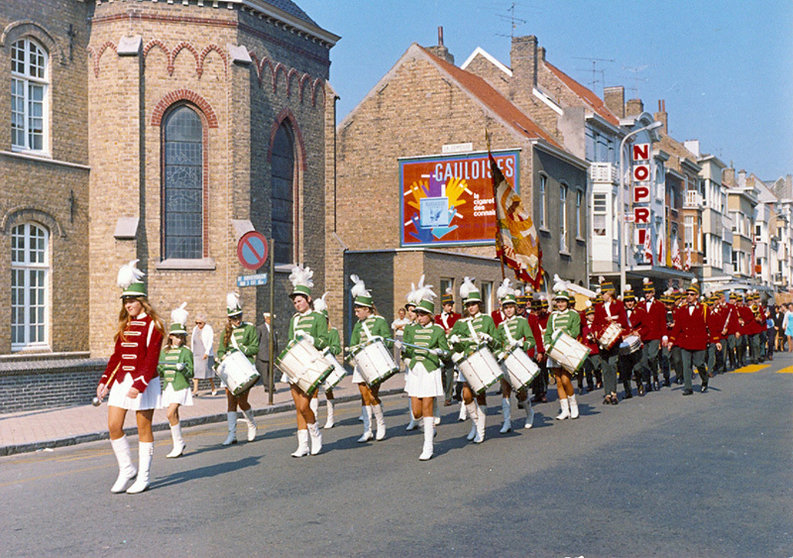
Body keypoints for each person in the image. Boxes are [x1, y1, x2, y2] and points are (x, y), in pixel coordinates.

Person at [96, 260, 164, 494]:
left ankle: (143, 477)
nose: (128, 305)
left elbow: (151, 359)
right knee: (114, 426)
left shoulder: (154, 325)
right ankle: (127, 469)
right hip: (122, 380)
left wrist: (140, 384)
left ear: (142, 301)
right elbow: (116, 357)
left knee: (143, 427)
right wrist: (105, 381)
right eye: (125, 301)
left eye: (132, 301)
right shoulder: (125, 325)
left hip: (143, 382)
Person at [282, 265, 327, 456]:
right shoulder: (294, 320)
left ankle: (315, 434)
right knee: (297, 407)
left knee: (304, 405)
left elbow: (325, 340)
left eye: (300, 301)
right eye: (295, 302)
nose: (297, 305)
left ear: (308, 299)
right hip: (295, 366)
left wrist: (311, 340)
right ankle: (303, 445)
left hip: (311, 366)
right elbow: (290, 340)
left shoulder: (318, 318)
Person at [402, 281, 449, 460]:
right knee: (416, 412)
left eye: (422, 314)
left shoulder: (438, 331)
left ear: (429, 315)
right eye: (418, 314)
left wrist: (440, 352)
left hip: (430, 370)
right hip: (415, 370)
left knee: (428, 406)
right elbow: (407, 351)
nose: (419, 317)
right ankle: (429, 429)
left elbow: (446, 352)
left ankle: (428, 445)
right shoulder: (411, 330)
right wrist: (405, 357)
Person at [448, 277, 498, 443]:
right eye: (468, 305)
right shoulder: (461, 323)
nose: (471, 307)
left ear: (479, 304)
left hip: (481, 362)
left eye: (474, 304)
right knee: (466, 396)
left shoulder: (487, 320)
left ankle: (481, 430)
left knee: (480, 395)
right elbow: (451, 344)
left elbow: (497, 342)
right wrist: (453, 340)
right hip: (466, 363)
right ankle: (475, 425)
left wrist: (489, 338)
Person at [347, 274, 393, 442]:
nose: (356, 313)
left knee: (373, 394)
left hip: (376, 363)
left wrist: (379, 342)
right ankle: (367, 430)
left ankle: (381, 425)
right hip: (361, 363)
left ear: (367, 309)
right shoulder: (358, 325)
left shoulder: (380, 321)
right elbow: (353, 343)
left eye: (359, 310)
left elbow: (387, 341)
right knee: (363, 396)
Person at [216, 292, 259, 445]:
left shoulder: (249, 328)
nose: (238, 320)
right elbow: (221, 350)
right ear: (229, 318)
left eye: (239, 316)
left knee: (242, 401)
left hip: (245, 368)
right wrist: (222, 357)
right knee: (230, 401)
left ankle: (251, 424)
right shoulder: (226, 332)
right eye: (234, 318)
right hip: (231, 370)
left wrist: (241, 349)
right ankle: (231, 434)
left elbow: (254, 347)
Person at [494, 279, 536, 432]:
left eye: (511, 307)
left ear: (515, 308)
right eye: (506, 308)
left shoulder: (522, 322)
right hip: (505, 361)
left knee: (521, 392)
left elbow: (531, 341)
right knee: (505, 391)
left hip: (519, 360)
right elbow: (498, 344)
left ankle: (529, 413)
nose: (509, 310)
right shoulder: (500, 326)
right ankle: (507, 422)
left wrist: (521, 344)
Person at [157, 303, 193, 458]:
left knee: (170, 413)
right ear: (170, 336)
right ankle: (178, 444)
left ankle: (178, 443)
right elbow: (159, 370)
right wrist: (160, 368)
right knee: (174, 414)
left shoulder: (186, 352)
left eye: (181, 336)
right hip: (168, 386)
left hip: (180, 386)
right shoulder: (164, 352)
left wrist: (182, 368)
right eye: (177, 336)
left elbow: (191, 372)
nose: (179, 339)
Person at [543, 290, 582, 419]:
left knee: (566, 379)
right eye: (558, 301)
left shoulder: (573, 315)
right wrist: (547, 344)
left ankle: (574, 405)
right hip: (554, 350)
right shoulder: (552, 316)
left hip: (567, 350)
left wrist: (560, 333)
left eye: (563, 301)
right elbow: (548, 332)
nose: (560, 304)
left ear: (567, 302)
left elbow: (575, 331)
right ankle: (565, 410)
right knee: (559, 381)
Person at [308, 292, 342, 430]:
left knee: (328, 390)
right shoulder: (313, 333)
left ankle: (330, 417)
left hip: (328, 363)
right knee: (314, 391)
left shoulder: (332, 332)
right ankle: (314, 417)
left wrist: (329, 349)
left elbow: (337, 349)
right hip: (316, 362)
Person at [669, 279, 710, 395]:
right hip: (685, 342)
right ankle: (688, 387)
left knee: (699, 363)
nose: (689, 296)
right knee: (686, 365)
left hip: (699, 341)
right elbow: (677, 327)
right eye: (687, 294)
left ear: (697, 296)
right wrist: (672, 340)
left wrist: (715, 340)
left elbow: (710, 325)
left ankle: (704, 379)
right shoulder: (682, 309)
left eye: (692, 294)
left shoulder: (703, 309)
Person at [593, 277, 629, 405]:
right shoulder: (598, 307)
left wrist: (614, 319)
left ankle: (614, 392)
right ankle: (607, 393)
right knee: (605, 367)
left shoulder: (618, 304)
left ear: (610, 293)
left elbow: (624, 321)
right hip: (603, 341)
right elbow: (595, 323)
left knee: (613, 365)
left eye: (603, 293)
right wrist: (596, 333)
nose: (602, 295)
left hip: (614, 340)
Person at [435, 288, 460, 406]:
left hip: (452, 347)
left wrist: (453, 331)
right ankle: (447, 390)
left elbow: (460, 329)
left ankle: (448, 396)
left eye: (451, 305)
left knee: (450, 371)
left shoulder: (456, 317)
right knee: (442, 372)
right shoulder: (437, 318)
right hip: (442, 346)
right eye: (448, 305)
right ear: (443, 306)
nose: (450, 308)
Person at [190, 311, 216, 396]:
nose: (198, 324)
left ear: (204, 322)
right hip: (196, 353)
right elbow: (192, 341)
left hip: (204, 352)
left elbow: (210, 341)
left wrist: (207, 352)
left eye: (200, 323)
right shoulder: (195, 329)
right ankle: (195, 390)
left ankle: (213, 388)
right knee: (196, 372)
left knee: (208, 373)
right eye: (196, 323)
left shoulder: (208, 328)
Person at [256, 312, 278, 393]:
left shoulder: (274, 328)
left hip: (273, 353)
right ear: (265, 319)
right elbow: (257, 340)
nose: (271, 321)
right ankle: (267, 387)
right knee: (265, 371)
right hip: (263, 353)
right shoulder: (260, 328)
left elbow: (276, 340)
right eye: (269, 319)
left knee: (272, 371)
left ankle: (272, 385)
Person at [391, 307, 411, 372]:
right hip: (397, 338)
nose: (401, 315)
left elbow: (406, 328)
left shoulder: (407, 321)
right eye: (400, 314)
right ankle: (397, 368)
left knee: (404, 351)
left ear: (405, 314)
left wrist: (398, 326)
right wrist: (401, 326)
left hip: (404, 337)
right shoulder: (396, 320)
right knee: (397, 352)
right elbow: (393, 327)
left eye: (402, 314)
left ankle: (406, 367)